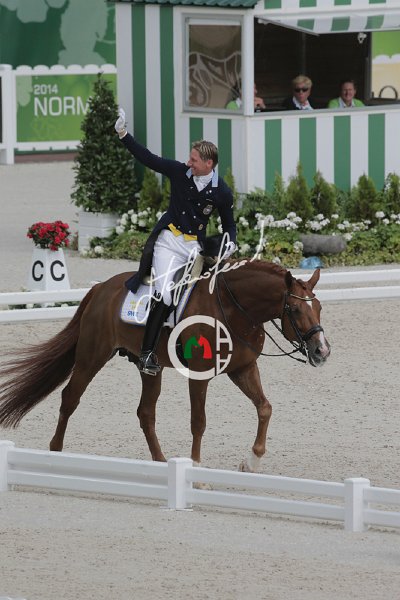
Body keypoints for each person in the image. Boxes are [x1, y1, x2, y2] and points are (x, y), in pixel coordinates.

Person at [115, 108, 237, 376]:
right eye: (190, 158)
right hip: (169, 242)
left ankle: (185, 343)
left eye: (194, 160)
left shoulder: (221, 192)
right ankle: (146, 353)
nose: (188, 162)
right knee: (166, 294)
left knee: (199, 295)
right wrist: (123, 134)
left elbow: (229, 224)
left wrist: (230, 243)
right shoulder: (179, 172)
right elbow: (148, 158)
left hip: (194, 248)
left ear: (209, 164)